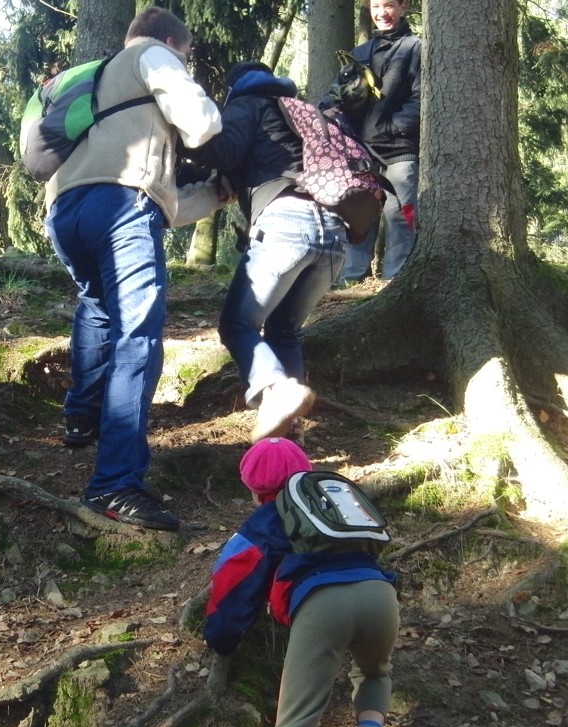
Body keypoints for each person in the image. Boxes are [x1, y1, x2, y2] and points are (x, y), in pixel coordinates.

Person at [45, 6, 226, 531]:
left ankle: (81, 417)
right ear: (172, 43)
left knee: (98, 306)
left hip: (64, 212)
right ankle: (115, 484)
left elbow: (163, 201)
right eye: (185, 56)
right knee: (138, 336)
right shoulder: (153, 55)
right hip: (120, 206)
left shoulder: (90, 80)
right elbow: (202, 123)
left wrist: (213, 196)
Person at [204, 438, 399, 727]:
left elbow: (235, 582)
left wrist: (220, 638)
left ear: (253, 488)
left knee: (295, 726)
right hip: (380, 595)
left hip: (323, 605)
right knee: (374, 673)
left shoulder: (263, 522)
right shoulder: (332, 504)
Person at [186, 61, 344, 443]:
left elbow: (224, 151)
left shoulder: (248, 102)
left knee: (237, 324)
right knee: (284, 329)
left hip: (287, 222)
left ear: (233, 86)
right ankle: (289, 433)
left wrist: (178, 137)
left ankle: (276, 390)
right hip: (334, 231)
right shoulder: (299, 111)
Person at [326, 0, 421, 284]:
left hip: (400, 152)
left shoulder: (416, 48)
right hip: (361, 154)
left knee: (401, 218)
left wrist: (392, 128)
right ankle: (350, 282)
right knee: (359, 217)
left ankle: (395, 283)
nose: (382, 13)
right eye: (376, 6)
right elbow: (334, 98)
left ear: (404, 7)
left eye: (389, 5)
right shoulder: (359, 53)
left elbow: (422, 98)